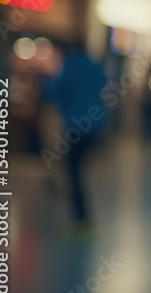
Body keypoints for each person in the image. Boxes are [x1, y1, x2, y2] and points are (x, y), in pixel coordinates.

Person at [42, 39, 108, 230]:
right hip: (96, 126)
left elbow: (53, 92)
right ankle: (81, 215)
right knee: (78, 169)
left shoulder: (69, 66)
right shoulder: (95, 67)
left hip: (76, 125)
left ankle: (81, 217)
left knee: (73, 171)